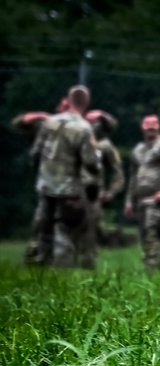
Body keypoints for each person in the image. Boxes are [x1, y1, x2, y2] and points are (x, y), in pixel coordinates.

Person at [27, 85, 100, 267]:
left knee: (44, 230)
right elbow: (90, 161)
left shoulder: (49, 122)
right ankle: (61, 276)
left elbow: (35, 153)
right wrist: (95, 171)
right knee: (65, 233)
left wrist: (42, 173)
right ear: (86, 103)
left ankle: (39, 270)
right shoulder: (84, 128)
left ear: (68, 100)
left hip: (45, 185)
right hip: (68, 190)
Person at [124, 112, 160, 270]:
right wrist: (129, 201)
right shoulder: (138, 149)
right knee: (145, 235)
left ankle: (154, 269)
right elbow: (133, 177)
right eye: (147, 124)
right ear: (142, 127)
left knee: (152, 232)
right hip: (142, 200)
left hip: (158, 200)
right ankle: (153, 268)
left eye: (154, 124)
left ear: (159, 126)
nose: (150, 127)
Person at [84, 110, 125, 254]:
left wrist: (111, 192)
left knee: (91, 234)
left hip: (94, 194)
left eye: (96, 122)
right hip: (70, 191)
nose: (93, 125)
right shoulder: (76, 138)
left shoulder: (105, 145)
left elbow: (117, 172)